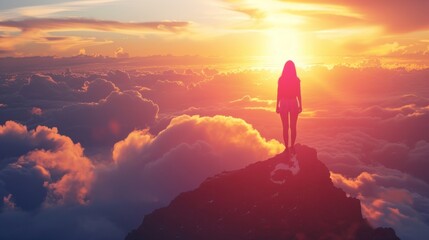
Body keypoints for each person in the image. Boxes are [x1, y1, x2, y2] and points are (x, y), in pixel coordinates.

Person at [276, 60, 302, 154]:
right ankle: (292, 147)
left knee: (285, 127)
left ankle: (287, 147)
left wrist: (277, 105)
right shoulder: (296, 79)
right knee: (293, 127)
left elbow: (278, 93)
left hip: (283, 103)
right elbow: (299, 94)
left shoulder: (281, 79)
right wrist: (300, 105)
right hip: (293, 102)